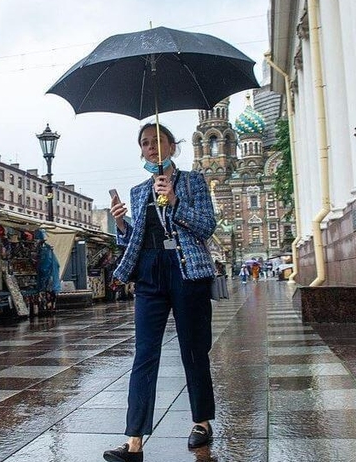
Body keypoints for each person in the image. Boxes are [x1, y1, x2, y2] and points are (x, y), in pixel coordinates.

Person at [104, 122, 217, 462]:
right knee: (144, 353)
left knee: (194, 350)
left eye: (158, 141)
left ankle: (201, 421)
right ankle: (134, 440)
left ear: (172, 146)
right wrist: (122, 224)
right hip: (150, 272)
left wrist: (177, 201)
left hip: (187, 271)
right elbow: (134, 240)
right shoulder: (139, 191)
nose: (152, 147)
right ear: (141, 151)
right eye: (145, 143)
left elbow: (207, 226)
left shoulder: (193, 181)